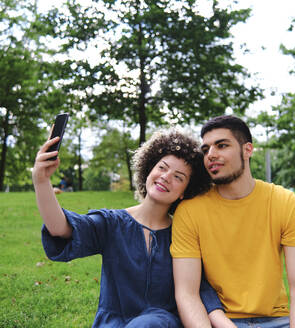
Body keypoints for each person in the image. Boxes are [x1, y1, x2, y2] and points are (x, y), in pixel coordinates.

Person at [32, 129, 224, 327]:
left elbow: (200, 291)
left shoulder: (183, 235)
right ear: (149, 169)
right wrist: (41, 180)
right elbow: (60, 228)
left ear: (185, 192)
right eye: (162, 167)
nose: (166, 177)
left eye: (178, 177)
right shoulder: (112, 223)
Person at [170, 115, 295, 328]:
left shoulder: (284, 202)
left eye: (221, 145)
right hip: (217, 321)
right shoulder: (190, 211)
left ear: (247, 150)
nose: (211, 154)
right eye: (206, 149)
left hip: (279, 320)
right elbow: (187, 294)